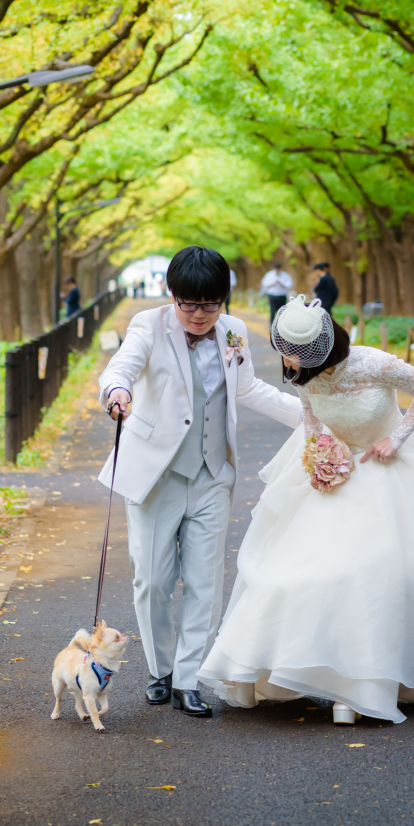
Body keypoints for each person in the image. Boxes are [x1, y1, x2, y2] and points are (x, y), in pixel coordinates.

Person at [199, 295, 414, 725]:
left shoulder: (373, 364)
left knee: (385, 573)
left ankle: (370, 684)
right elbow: (311, 419)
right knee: (305, 575)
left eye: (295, 355)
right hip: (338, 475)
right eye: (286, 352)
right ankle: (324, 676)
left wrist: (397, 437)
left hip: (389, 472)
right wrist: (319, 456)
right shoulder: (303, 374)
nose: (288, 362)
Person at [98, 246, 302, 718]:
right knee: (153, 579)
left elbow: (249, 388)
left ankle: (188, 679)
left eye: (210, 304)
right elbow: (122, 366)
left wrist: (311, 418)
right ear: (174, 296)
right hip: (156, 474)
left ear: (224, 301)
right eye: (189, 304)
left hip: (213, 475)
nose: (198, 314)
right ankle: (160, 670)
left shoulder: (233, 332)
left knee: (206, 583)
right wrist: (117, 391)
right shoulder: (149, 325)